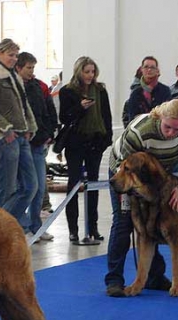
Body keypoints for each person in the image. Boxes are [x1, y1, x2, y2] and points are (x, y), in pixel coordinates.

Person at [105, 99, 178, 297]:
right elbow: (124, 165)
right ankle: (114, 280)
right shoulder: (140, 131)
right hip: (125, 173)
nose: (171, 133)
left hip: (159, 176)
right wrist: (133, 191)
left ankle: (154, 278)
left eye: (176, 129)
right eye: (168, 127)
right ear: (160, 117)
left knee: (153, 226)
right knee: (124, 223)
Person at [0, 38, 38, 222]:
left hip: (21, 136)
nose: (14, 59)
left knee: (31, 186)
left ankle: (3, 224)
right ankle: (0, 228)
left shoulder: (15, 78)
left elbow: (24, 105)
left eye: (15, 55)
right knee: (6, 189)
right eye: (10, 55)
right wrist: (6, 129)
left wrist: (30, 127)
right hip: (5, 138)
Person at [59, 56, 112, 242]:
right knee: (73, 184)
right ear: (79, 72)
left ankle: (93, 228)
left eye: (92, 72)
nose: (90, 75)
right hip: (75, 143)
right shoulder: (67, 91)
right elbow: (64, 117)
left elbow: (107, 116)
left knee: (93, 185)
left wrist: (107, 139)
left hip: (95, 143)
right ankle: (73, 229)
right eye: (86, 71)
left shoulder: (100, 90)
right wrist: (79, 107)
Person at [15, 52, 56, 242]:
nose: (32, 71)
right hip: (20, 144)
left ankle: (36, 227)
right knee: (24, 188)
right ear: (19, 68)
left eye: (33, 68)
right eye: (28, 68)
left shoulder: (40, 87)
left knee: (39, 188)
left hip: (39, 143)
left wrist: (48, 134)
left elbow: (49, 112)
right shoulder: (13, 87)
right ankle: (20, 225)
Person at [126, 56, 172, 122]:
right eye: (146, 67)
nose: (149, 70)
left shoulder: (165, 90)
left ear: (157, 70)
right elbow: (132, 118)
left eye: (152, 67)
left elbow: (168, 114)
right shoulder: (135, 93)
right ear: (142, 69)